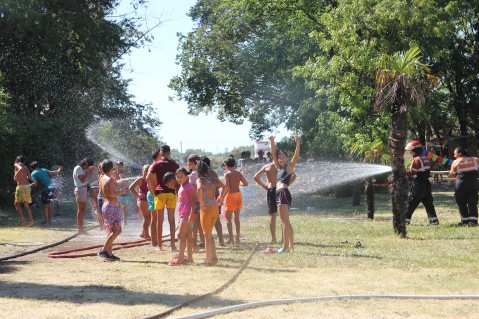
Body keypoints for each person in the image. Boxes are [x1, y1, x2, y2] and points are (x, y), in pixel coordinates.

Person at [269, 134, 300, 253]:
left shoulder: (288, 168)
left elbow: (296, 156)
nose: (281, 159)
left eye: (283, 157)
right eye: (279, 158)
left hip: (282, 193)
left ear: (287, 158)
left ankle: (285, 247)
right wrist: (272, 141)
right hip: (281, 193)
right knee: (286, 221)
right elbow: (273, 155)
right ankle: (291, 246)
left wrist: (297, 144)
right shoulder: (279, 168)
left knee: (283, 221)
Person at [254, 159, 296, 244]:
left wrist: (265, 186)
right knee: (283, 217)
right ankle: (283, 239)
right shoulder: (284, 166)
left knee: (273, 216)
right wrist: (285, 185)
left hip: (271, 190)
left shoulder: (267, 167)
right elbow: (294, 176)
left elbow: (256, 177)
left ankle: (273, 239)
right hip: (281, 190)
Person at [146, 145, 179, 251]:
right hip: (171, 193)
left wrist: (153, 191)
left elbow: (147, 178)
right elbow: (179, 178)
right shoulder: (174, 164)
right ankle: (173, 246)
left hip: (160, 193)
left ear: (161, 153)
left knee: (159, 220)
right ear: (169, 152)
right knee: (172, 219)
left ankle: (160, 246)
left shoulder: (156, 164)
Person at [404, 141, 439, 225]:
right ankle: (434, 220)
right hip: (426, 183)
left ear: (415, 151)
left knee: (411, 201)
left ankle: (405, 220)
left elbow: (412, 172)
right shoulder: (424, 158)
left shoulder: (416, 159)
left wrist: (404, 171)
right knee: (428, 202)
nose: (410, 153)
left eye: (411, 151)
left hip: (419, 183)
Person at [197, 160, 224, 265]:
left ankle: (208, 260)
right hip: (214, 207)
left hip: (206, 208)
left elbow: (199, 188)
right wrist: (221, 197)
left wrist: (201, 202)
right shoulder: (213, 180)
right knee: (210, 234)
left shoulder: (200, 180)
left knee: (206, 235)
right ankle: (214, 257)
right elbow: (225, 186)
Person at [97, 160, 126, 261]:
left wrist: (115, 180)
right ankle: (104, 251)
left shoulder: (102, 178)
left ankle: (109, 254)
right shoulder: (109, 180)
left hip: (106, 206)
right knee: (118, 230)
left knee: (111, 231)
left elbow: (111, 188)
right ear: (110, 168)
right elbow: (111, 194)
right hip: (111, 207)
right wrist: (120, 192)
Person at [169, 168, 196, 265]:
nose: (179, 179)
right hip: (183, 215)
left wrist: (192, 215)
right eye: (177, 177)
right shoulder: (182, 186)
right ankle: (189, 258)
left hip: (187, 215)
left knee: (180, 235)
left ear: (186, 176)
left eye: (181, 176)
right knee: (188, 236)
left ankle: (180, 259)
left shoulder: (188, 186)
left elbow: (194, 201)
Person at [219, 158, 248, 244]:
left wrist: (221, 196)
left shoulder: (227, 174)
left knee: (228, 218)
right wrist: (238, 183)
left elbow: (227, 187)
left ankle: (231, 238)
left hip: (231, 195)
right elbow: (246, 184)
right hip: (238, 195)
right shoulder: (238, 173)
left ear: (226, 166)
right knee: (236, 218)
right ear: (235, 165)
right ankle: (237, 238)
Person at [449, 147, 479, 226]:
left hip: (461, 183)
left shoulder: (456, 162)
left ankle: (464, 221)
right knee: (472, 202)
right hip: (474, 183)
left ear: (460, 153)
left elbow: (452, 174)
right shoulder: (475, 159)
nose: (454, 156)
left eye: (455, 154)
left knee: (461, 202)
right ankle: (473, 221)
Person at [201, 156, 225, 246]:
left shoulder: (206, 173)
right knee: (216, 219)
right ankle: (220, 240)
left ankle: (208, 241)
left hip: (210, 198)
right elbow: (219, 184)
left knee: (212, 219)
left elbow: (219, 185)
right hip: (214, 196)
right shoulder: (213, 172)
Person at [29, 161, 62, 226]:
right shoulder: (43, 169)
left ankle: (47, 223)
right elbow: (55, 172)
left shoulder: (33, 173)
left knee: (46, 206)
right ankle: (50, 221)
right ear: (38, 166)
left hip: (46, 189)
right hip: (52, 188)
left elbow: (35, 184)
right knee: (50, 205)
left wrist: (27, 186)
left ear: (31, 168)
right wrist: (60, 168)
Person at [129, 164, 152, 240]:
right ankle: (146, 235)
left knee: (150, 218)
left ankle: (143, 233)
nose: (146, 176)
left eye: (147, 174)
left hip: (149, 200)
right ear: (142, 172)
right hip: (142, 200)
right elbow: (131, 187)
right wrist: (138, 195)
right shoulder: (140, 179)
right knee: (146, 218)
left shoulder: (151, 179)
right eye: (145, 174)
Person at [73, 157, 94, 234]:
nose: (88, 168)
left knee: (82, 210)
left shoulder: (82, 169)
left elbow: (85, 179)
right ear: (87, 163)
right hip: (80, 190)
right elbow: (82, 180)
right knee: (81, 210)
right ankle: (80, 229)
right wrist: (88, 172)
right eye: (89, 166)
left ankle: (81, 228)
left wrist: (89, 172)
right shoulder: (78, 168)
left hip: (83, 190)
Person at [187, 154, 203, 252]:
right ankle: (203, 241)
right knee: (201, 223)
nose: (187, 164)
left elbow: (190, 189)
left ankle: (194, 244)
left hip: (195, 202)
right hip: (202, 201)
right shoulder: (202, 173)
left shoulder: (192, 175)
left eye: (188, 162)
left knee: (193, 223)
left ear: (193, 163)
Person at [13, 155, 34, 227]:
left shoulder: (16, 164)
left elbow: (20, 169)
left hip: (22, 187)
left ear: (17, 160)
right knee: (25, 204)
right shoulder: (26, 167)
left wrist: (16, 175)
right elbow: (30, 177)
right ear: (24, 161)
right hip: (27, 186)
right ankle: (29, 221)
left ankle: (24, 220)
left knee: (17, 204)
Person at [147, 149, 162, 247]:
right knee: (154, 218)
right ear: (158, 156)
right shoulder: (153, 166)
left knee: (157, 218)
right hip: (153, 194)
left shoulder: (156, 165)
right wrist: (154, 194)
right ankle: (153, 241)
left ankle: (155, 240)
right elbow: (148, 181)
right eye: (161, 154)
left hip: (155, 194)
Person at [114, 161, 130, 226]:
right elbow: (113, 182)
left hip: (124, 193)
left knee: (125, 208)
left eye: (121, 166)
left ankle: (125, 222)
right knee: (118, 207)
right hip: (117, 193)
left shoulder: (124, 173)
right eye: (118, 166)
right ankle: (118, 221)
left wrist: (122, 177)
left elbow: (126, 183)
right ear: (116, 166)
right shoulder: (114, 173)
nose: (120, 167)